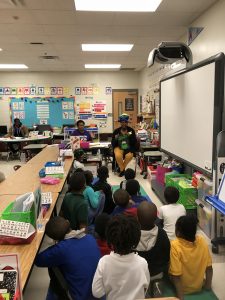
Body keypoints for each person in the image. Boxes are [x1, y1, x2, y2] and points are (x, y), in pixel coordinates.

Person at [35, 216, 101, 300]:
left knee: (53, 268)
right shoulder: (90, 238)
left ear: (55, 239)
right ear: (68, 221)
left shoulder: (61, 249)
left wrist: (54, 247)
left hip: (80, 297)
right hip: (99, 293)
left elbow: (38, 260)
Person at [92, 214, 150, 300]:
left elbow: (97, 293)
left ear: (109, 238)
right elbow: (145, 287)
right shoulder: (142, 263)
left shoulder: (104, 262)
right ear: (136, 238)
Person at [169, 215, 213, 300]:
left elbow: (176, 276)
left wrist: (181, 297)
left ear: (178, 232)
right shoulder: (202, 241)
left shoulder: (174, 245)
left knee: (168, 267)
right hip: (198, 287)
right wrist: (208, 288)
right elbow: (209, 268)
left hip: (183, 288)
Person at [136, 202, 170, 296]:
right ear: (156, 219)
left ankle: (143, 290)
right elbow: (167, 254)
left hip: (138, 273)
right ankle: (157, 286)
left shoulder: (132, 234)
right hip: (157, 272)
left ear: (137, 219)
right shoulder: (162, 233)